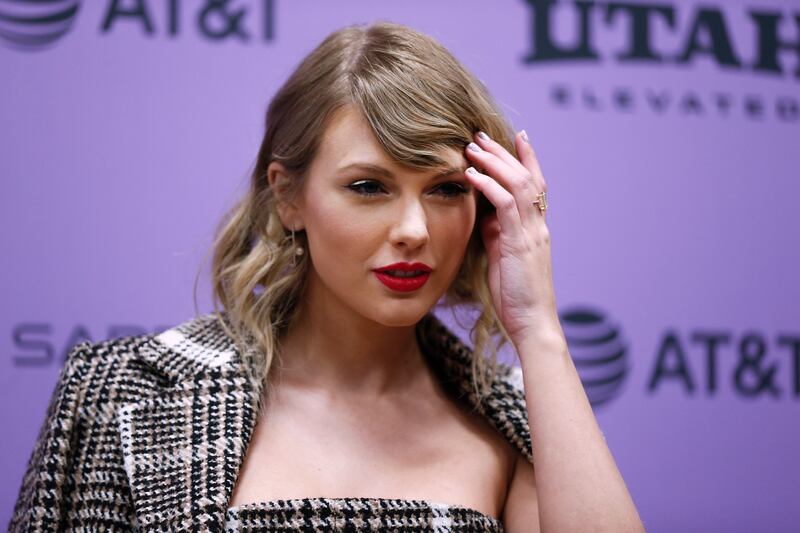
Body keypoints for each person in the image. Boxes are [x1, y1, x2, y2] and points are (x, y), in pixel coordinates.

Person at [9, 21, 645, 532]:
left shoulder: (514, 418)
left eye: (447, 188)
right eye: (368, 186)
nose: (414, 230)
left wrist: (538, 331)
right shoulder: (120, 390)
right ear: (289, 197)